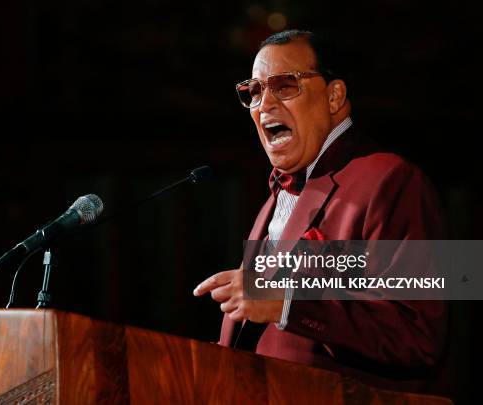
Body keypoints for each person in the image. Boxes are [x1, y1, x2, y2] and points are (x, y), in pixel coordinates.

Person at [193, 30, 450, 395]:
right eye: (254, 91)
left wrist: (287, 302)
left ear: (334, 96)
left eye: (284, 86)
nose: (264, 104)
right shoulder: (274, 197)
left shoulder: (392, 180)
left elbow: (417, 336)